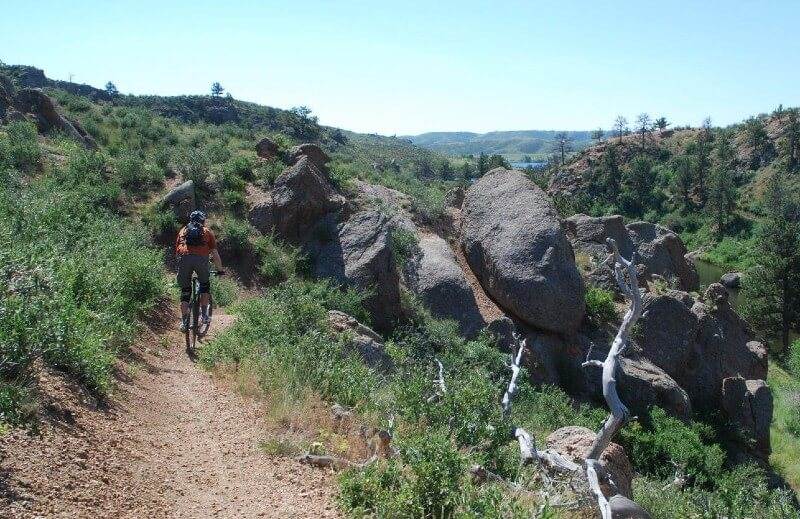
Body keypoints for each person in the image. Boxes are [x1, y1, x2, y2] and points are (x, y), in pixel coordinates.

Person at [175, 210, 224, 332]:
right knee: (204, 285)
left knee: (185, 291)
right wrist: (220, 270)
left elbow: (177, 252)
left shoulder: (183, 231)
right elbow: (215, 253)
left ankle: (184, 322)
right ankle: (204, 315)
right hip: (201, 259)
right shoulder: (207, 232)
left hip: (184, 258)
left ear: (190, 220)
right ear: (203, 221)